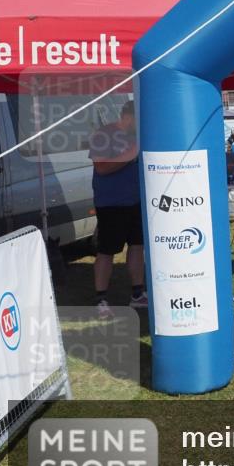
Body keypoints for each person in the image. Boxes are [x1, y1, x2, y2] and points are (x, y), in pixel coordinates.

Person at [89, 101, 146, 320]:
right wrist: (130, 156)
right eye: (137, 119)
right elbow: (101, 167)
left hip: (136, 201)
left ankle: (137, 293)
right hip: (111, 203)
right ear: (127, 115)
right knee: (107, 251)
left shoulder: (136, 136)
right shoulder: (104, 134)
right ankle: (101, 299)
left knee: (136, 246)